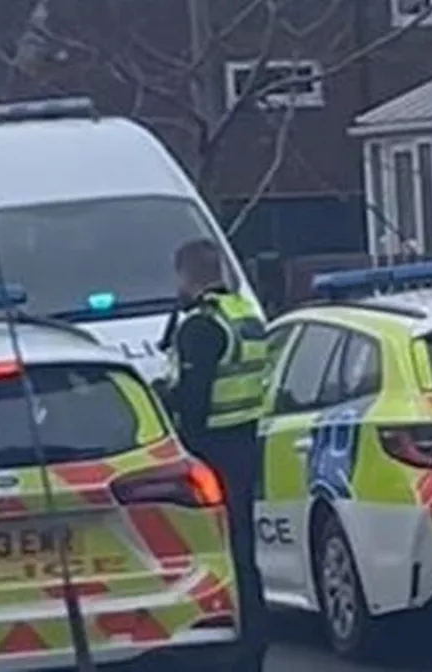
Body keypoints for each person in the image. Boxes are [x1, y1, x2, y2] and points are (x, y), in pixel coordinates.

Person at [160, 238, 268, 670]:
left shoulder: (200, 328)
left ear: (185, 276)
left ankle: (235, 642)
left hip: (213, 452)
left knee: (221, 552)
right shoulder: (244, 315)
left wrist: (166, 399)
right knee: (243, 549)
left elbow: (194, 403)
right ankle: (255, 638)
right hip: (247, 442)